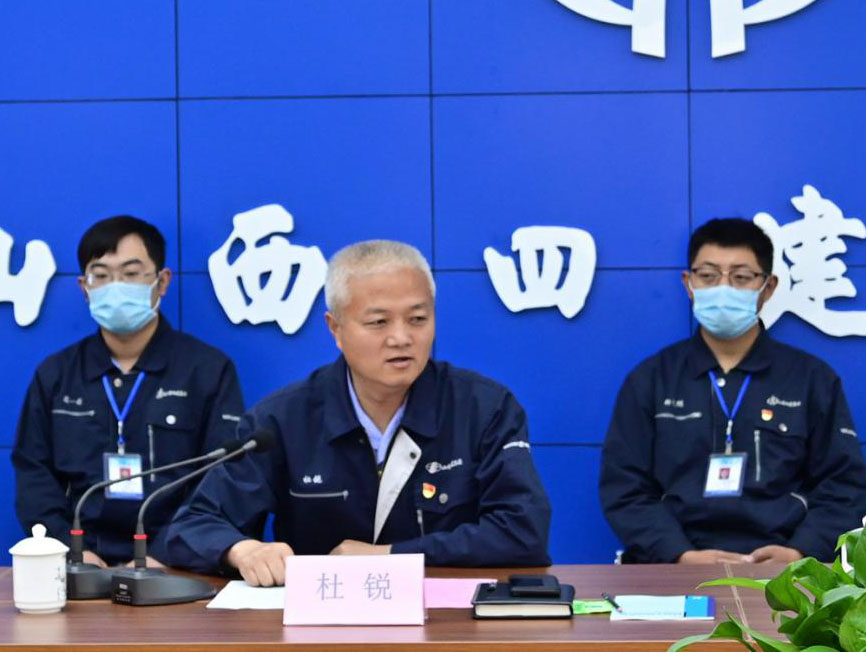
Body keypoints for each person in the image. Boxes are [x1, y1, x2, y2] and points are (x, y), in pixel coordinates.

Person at [167, 240, 551, 585]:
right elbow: (193, 525)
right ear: (335, 328)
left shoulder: (484, 408)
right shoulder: (283, 419)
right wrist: (243, 550)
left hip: (445, 623)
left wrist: (390, 557)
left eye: (418, 319)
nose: (401, 338)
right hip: (321, 623)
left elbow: (523, 531)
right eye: (378, 322)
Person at [600, 218, 866, 565]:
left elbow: (844, 484)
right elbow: (624, 487)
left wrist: (800, 552)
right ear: (689, 284)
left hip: (783, 566)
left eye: (740, 277)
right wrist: (678, 554)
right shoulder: (651, 379)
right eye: (709, 276)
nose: (723, 288)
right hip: (673, 565)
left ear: (768, 287)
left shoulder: (812, 379)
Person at [12, 216, 244, 568]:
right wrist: (71, 550)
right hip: (78, 563)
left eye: (131, 273)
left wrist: (166, 554)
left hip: (178, 563)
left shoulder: (208, 371)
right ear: (84, 287)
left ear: (162, 282)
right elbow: (34, 474)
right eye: (101, 275)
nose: (116, 287)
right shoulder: (56, 375)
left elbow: (223, 475)